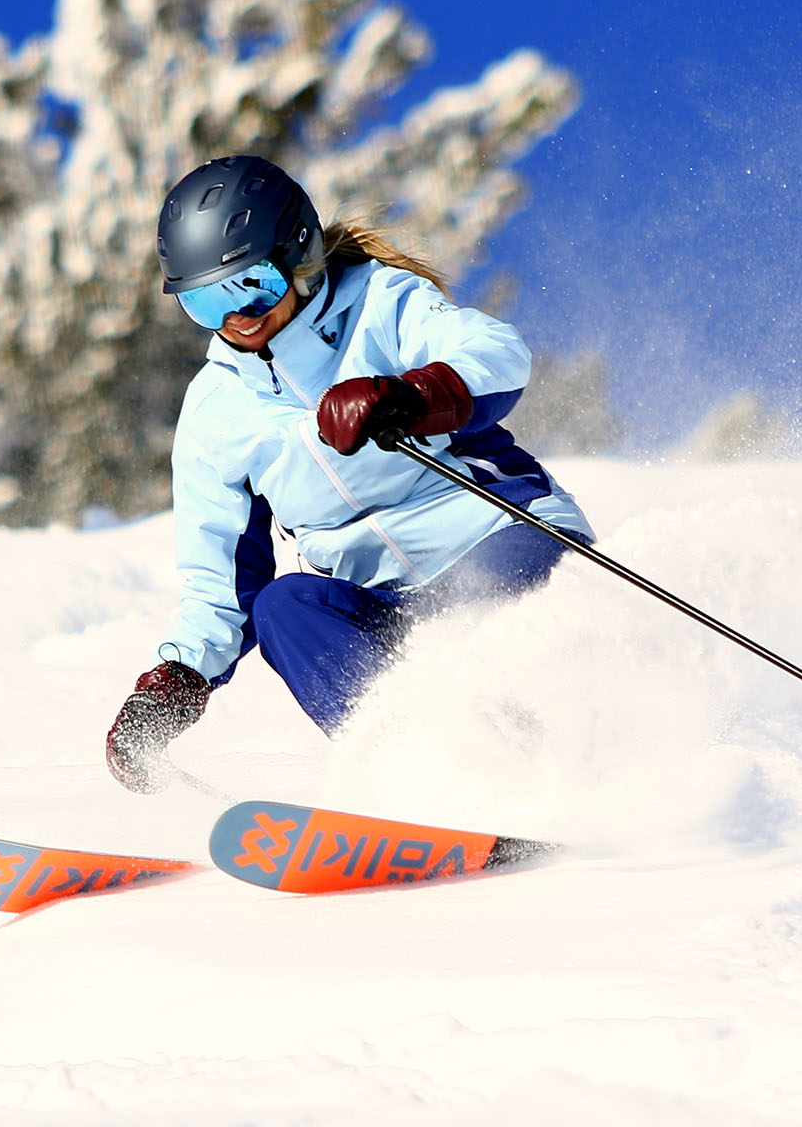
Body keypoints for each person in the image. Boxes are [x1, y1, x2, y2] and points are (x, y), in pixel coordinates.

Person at [105, 155, 594, 793]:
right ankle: (430, 779)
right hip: (388, 605)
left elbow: (496, 355)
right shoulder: (215, 411)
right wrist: (173, 683)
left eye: (253, 285)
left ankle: (559, 765)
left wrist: (409, 395)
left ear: (298, 255)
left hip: (502, 537)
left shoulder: (381, 303)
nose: (238, 316)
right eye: (205, 301)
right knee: (285, 608)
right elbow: (222, 587)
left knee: (483, 609)